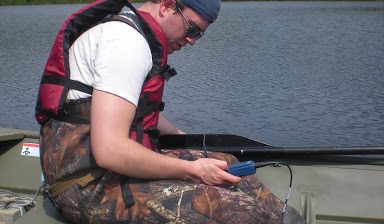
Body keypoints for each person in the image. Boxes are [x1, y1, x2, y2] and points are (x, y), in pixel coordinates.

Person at [36, 0, 306, 223]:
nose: (192, 41)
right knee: (241, 212)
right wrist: (193, 170)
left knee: (228, 163)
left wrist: (192, 146)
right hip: (84, 187)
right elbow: (110, 150)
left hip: (102, 172)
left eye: (199, 34)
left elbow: (131, 111)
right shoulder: (125, 43)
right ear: (166, 6)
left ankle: (286, 218)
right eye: (192, 29)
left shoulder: (132, 32)